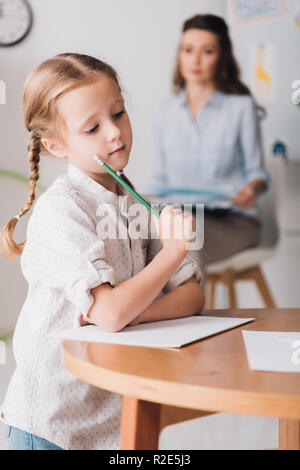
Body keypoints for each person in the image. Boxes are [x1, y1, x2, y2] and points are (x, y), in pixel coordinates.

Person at [0, 53, 204, 450]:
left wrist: (133, 313)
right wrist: (171, 254)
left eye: (119, 113)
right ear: (55, 145)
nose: (115, 132)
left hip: (109, 425)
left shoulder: (134, 202)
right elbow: (109, 313)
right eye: (92, 127)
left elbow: (192, 296)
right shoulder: (61, 209)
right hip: (47, 428)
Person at [149, 14, 270, 274]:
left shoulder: (240, 107)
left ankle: (188, 310)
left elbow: (256, 174)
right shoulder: (164, 112)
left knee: (183, 236)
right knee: (136, 231)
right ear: (180, 54)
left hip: (232, 222)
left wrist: (252, 190)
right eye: (188, 50)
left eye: (207, 51)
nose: (195, 60)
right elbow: (160, 180)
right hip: (183, 214)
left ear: (221, 56)